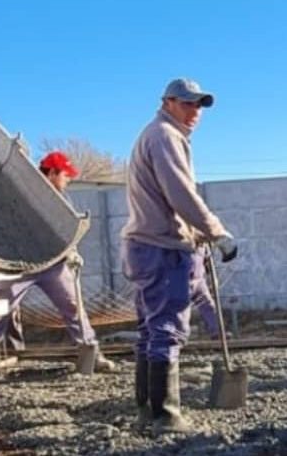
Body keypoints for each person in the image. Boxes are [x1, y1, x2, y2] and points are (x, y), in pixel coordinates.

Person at [121, 78, 237, 435]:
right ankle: (166, 416)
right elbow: (180, 194)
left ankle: (147, 411)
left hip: (146, 245)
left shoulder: (155, 134)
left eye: (199, 105)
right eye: (188, 104)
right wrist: (216, 232)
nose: (195, 111)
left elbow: (168, 197)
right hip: (163, 248)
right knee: (167, 331)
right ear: (168, 102)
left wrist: (197, 232)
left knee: (150, 331)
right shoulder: (165, 136)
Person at [0, 151, 115, 377]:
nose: (68, 180)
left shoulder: (62, 199)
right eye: (65, 175)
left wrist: (72, 252)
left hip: (53, 263)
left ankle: (92, 352)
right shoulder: (21, 193)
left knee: (73, 307)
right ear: (51, 173)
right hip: (19, 264)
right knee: (0, 310)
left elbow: (66, 230)